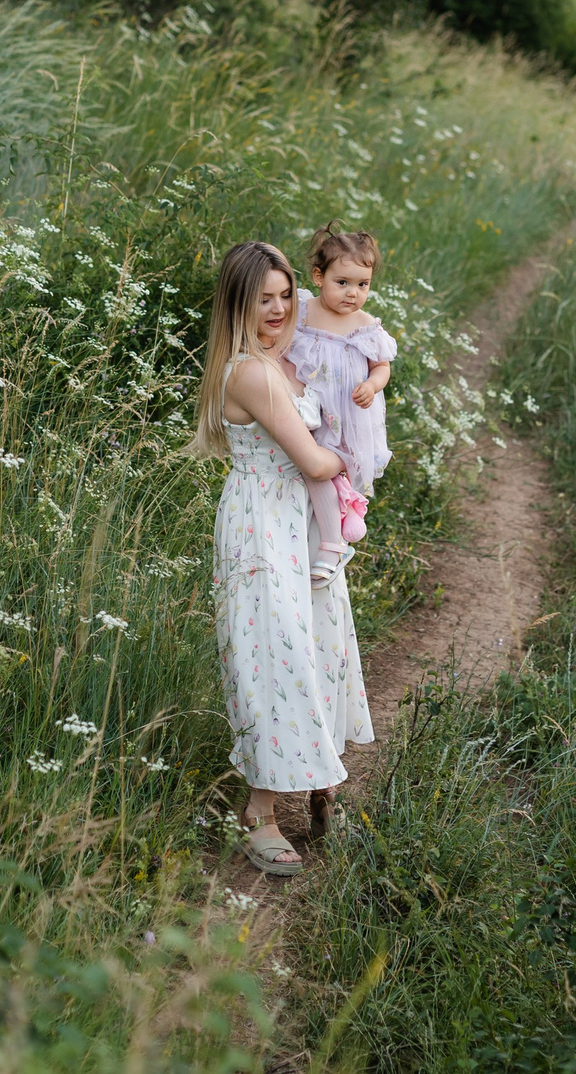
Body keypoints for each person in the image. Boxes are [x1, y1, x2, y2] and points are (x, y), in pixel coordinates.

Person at [188, 239, 351, 876]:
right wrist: (359, 458)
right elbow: (312, 460)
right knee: (273, 656)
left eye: (286, 296)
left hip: (300, 523)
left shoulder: (288, 361)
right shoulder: (250, 372)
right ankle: (258, 810)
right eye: (264, 300)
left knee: (320, 642)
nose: (279, 309)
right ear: (238, 304)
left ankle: (319, 779)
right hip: (262, 525)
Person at [289, 224, 396, 585]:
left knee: (321, 466)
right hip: (307, 409)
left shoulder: (365, 326)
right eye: (343, 283)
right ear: (319, 277)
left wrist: (371, 383)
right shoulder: (302, 312)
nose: (353, 293)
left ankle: (334, 543)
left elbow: (382, 367)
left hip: (346, 415)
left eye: (362, 285)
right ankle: (339, 508)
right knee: (308, 463)